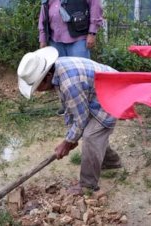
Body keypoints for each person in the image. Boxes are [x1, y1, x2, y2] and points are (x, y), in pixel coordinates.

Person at [17, 47, 122, 194]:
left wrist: (67, 143)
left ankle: (87, 185)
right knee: (94, 134)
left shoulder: (69, 83)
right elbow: (73, 109)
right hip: (97, 94)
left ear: (47, 77)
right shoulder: (58, 71)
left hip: (114, 93)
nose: (37, 91)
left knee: (91, 136)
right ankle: (111, 162)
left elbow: (81, 119)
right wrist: (71, 139)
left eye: (37, 86)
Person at [38, 0, 103, 59]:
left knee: (80, 70)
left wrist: (92, 33)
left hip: (78, 39)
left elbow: (95, 5)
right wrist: (43, 38)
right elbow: (44, 11)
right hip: (55, 40)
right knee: (59, 71)